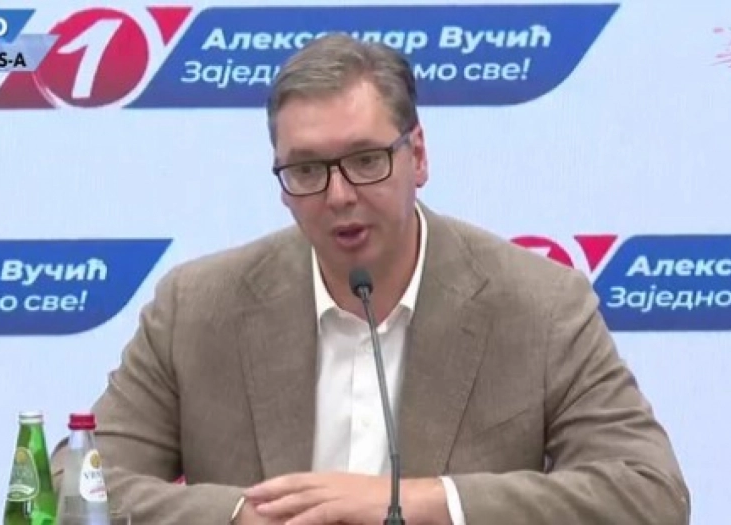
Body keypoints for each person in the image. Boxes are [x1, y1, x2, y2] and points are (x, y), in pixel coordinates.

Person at [51, 33, 690, 525]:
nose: (338, 196)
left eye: (365, 160)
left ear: (419, 156)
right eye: (307, 170)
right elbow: (68, 485)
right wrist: (244, 516)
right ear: (281, 183)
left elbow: (649, 492)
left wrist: (421, 502)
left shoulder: (540, 305)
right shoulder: (197, 308)